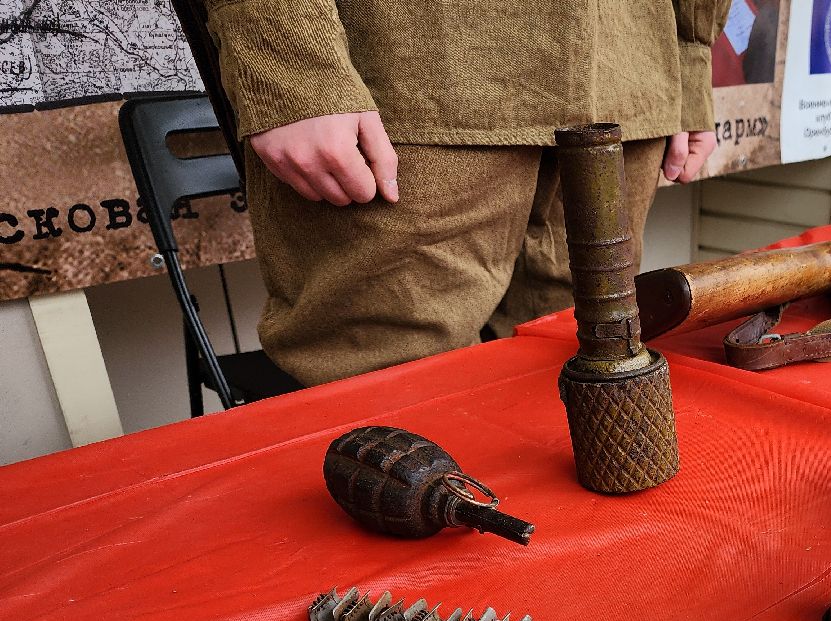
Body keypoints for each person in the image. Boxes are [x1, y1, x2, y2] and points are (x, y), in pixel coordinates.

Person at [203, 0, 730, 385]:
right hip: (411, 70)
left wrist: (688, 55)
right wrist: (291, 61)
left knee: (582, 368)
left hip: (628, 72)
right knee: (383, 394)